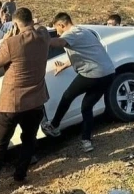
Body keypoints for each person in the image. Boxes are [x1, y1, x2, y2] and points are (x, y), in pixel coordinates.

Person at [0, 7, 50, 194]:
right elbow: (41, 27)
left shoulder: (12, 43)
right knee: (29, 140)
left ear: (15, 24)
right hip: (36, 101)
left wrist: (4, 40)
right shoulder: (44, 37)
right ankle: (20, 175)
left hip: (11, 103)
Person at [42, 13, 116, 153]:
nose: (58, 34)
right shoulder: (83, 31)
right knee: (86, 107)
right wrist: (63, 65)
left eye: (57, 30)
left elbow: (58, 43)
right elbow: (84, 53)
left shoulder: (71, 33)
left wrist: (40, 39)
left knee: (68, 96)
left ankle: (54, 126)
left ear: (61, 25)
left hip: (94, 74)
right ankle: (86, 141)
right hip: (108, 73)